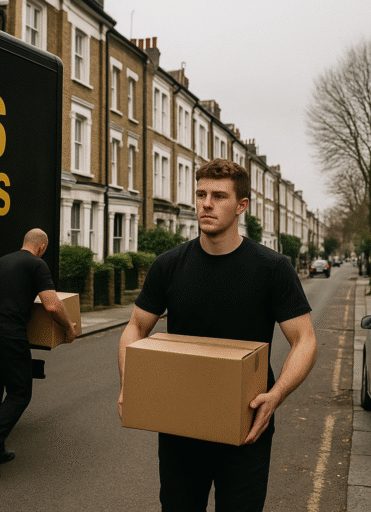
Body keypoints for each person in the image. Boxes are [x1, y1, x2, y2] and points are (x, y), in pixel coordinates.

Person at [117, 159, 317, 511]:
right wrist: (129, 384)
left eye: (219, 196)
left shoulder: (272, 269)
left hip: (246, 427)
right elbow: (135, 326)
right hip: (180, 424)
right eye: (201, 194)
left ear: (242, 205)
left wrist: (276, 395)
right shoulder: (168, 265)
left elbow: (305, 340)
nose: (206, 203)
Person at [0, 228, 77, 480]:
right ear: (42, 247)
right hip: (9, 335)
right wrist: (68, 329)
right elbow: (51, 304)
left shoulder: (1, 262)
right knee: (20, 392)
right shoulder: (37, 265)